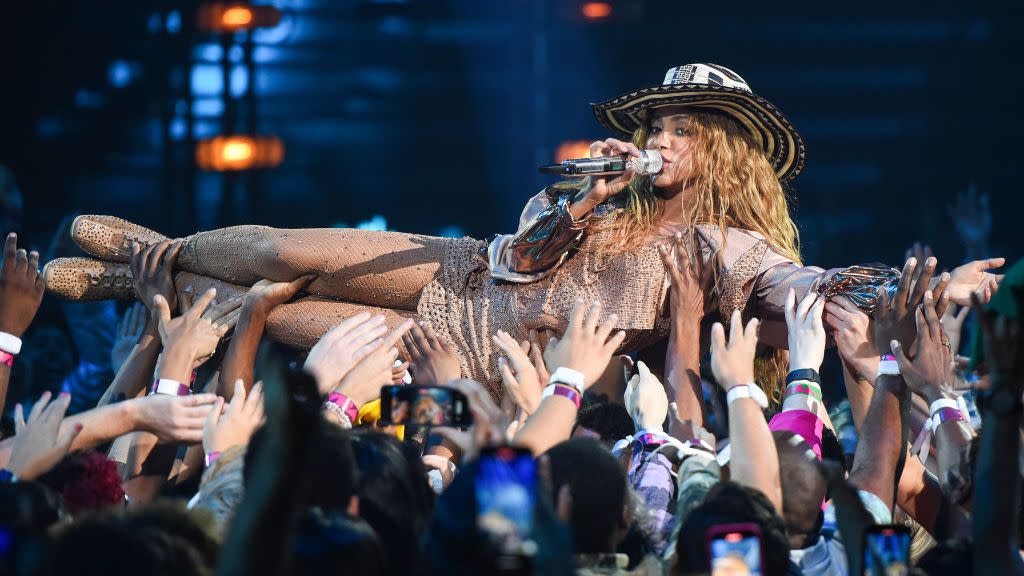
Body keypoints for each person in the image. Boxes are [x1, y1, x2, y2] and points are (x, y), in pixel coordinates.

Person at [41, 63, 1002, 406]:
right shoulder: (603, 194)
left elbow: (812, 282)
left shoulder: (722, 243)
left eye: (680, 134)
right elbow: (529, 248)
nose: (660, 142)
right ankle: (147, 246)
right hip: (467, 271)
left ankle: (140, 285)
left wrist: (924, 287)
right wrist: (593, 189)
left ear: (721, 156)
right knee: (289, 251)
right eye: (654, 129)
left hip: (485, 344)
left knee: (273, 307)